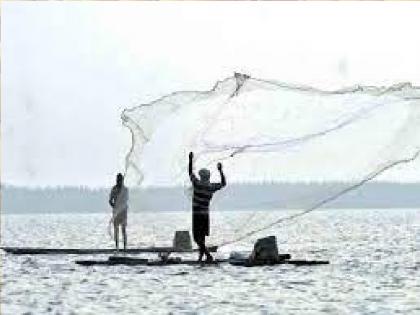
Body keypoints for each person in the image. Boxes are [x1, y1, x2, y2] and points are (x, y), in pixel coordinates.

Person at [188, 152, 226, 262]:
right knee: (202, 237)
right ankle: (201, 256)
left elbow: (190, 172)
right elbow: (223, 184)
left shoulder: (197, 184)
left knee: (196, 237)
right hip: (205, 214)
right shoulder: (211, 187)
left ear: (201, 176)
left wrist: (190, 159)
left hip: (197, 215)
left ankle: (208, 255)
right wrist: (220, 170)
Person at [109, 173, 129, 251]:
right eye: (118, 180)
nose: (119, 181)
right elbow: (110, 200)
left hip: (123, 212)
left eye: (120, 180)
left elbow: (125, 200)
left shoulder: (125, 190)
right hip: (116, 212)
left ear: (122, 180)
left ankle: (125, 247)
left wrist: (120, 206)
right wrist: (114, 206)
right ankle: (117, 247)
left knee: (123, 229)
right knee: (116, 229)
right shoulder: (114, 189)